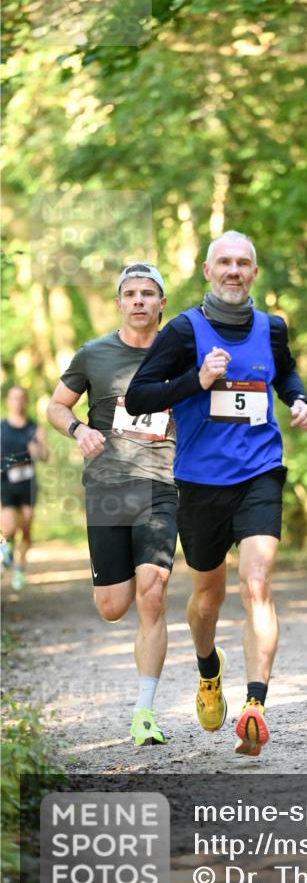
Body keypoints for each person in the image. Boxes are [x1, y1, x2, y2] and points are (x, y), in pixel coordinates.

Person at [126, 230, 307, 757]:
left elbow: (287, 376)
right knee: (207, 598)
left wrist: (298, 401)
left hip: (260, 473)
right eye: (225, 263)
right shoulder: (185, 331)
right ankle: (209, 669)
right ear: (208, 272)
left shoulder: (272, 329)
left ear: (254, 273)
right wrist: (197, 380)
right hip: (200, 482)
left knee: (257, 582)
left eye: (244, 263)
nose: (235, 271)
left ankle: (255, 705)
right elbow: (141, 396)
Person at [46, 264, 178, 747]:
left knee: (153, 593)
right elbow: (56, 406)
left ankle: (144, 711)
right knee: (113, 606)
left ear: (162, 302)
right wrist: (78, 430)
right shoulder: (94, 354)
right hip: (107, 487)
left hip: (161, 484)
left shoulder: (181, 352)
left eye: (148, 293)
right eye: (130, 293)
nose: (139, 300)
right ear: (119, 302)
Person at [1, 386, 48, 591]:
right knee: (9, 527)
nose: (17, 402)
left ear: (26, 402)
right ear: (7, 402)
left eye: (21, 398)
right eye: (14, 398)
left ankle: (19, 568)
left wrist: (37, 448)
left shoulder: (34, 428)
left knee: (26, 528)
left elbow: (45, 456)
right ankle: (7, 549)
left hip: (28, 483)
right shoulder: (1, 427)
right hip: (5, 483)